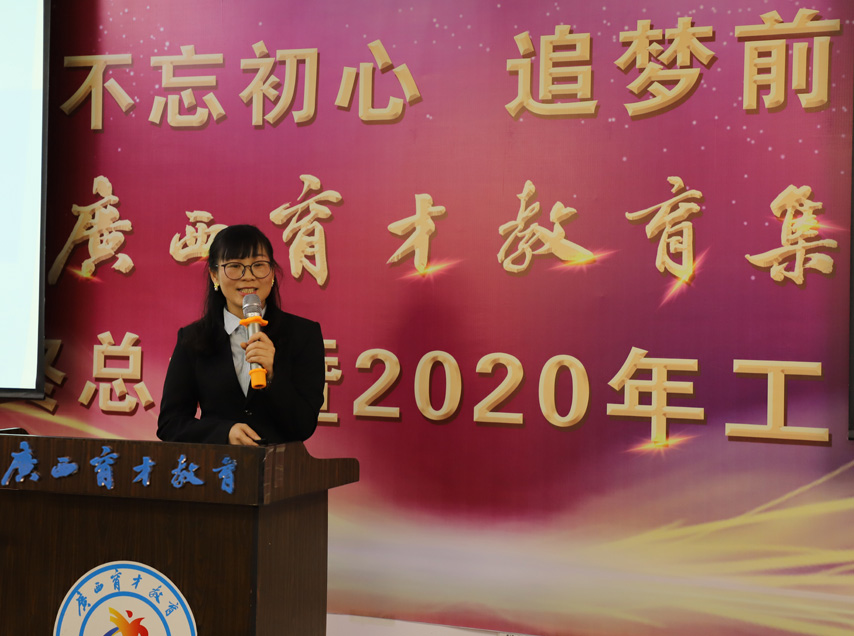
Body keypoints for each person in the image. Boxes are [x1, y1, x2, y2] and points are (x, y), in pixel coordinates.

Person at [157, 225, 325, 445]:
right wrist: (224, 433)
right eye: (235, 266)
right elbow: (170, 424)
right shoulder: (192, 338)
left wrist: (273, 377)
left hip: (281, 465)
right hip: (218, 465)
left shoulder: (303, 334)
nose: (248, 276)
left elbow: (304, 425)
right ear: (215, 275)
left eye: (258, 265)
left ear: (272, 273)